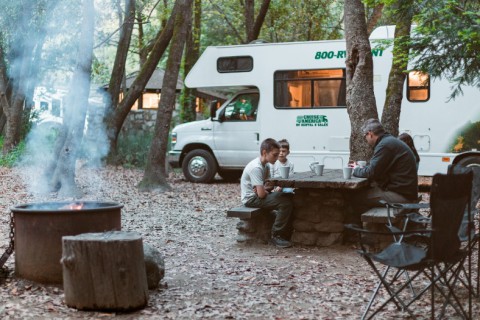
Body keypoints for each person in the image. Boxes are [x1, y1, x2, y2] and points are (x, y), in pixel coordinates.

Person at [350, 119, 418, 218]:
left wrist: (355, 169)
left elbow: (370, 172)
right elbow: (376, 169)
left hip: (402, 195)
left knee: (355, 198)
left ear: (370, 134)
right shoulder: (388, 141)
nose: (366, 139)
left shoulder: (385, 145)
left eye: (365, 136)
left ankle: (361, 230)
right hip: (405, 191)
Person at [241, 138, 294, 248]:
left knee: (287, 195)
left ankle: (286, 232)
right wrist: (263, 190)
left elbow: (268, 186)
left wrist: (263, 189)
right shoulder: (256, 167)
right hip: (251, 199)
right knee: (284, 202)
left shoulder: (267, 165)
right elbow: (262, 194)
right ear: (265, 152)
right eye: (275, 155)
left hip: (257, 195)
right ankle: (276, 236)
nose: (277, 157)